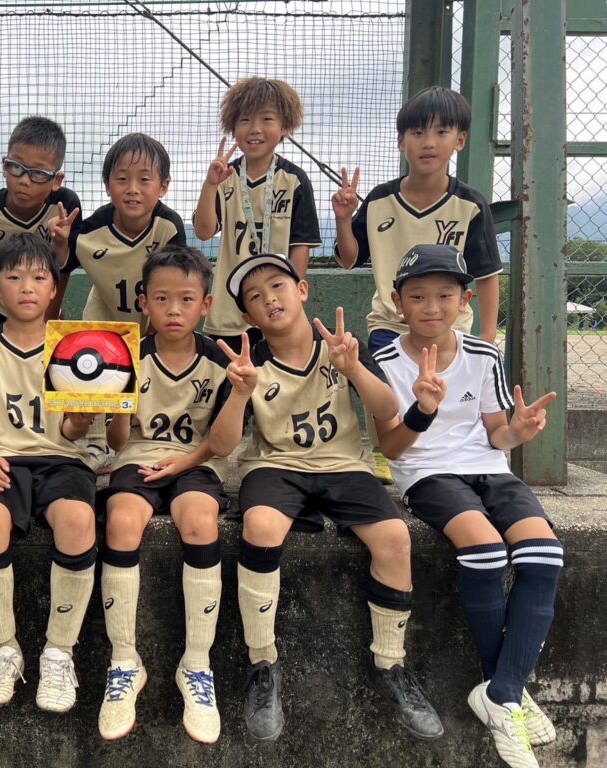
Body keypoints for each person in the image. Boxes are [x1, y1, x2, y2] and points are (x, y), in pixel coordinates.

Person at [207, 253, 443, 743]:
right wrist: (239, 393)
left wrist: (353, 368)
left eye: (278, 286)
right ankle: (262, 663)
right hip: (276, 466)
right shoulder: (251, 365)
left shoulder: (340, 346)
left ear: (303, 290)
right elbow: (224, 446)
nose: (270, 299)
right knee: (260, 527)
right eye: (255, 296)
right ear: (248, 316)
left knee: (395, 537)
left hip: (343, 466)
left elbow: (388, 410)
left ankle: (391, 664)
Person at [373, 244, 562, 768]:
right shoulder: (385, 361)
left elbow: (497, 434)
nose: (431, 307)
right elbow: (391, 449)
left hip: (489, 469)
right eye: (417, 297)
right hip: (428, 473)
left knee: (545, 555)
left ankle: (502, 692)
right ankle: (508, 695)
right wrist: (423, 408)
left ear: (464, 302)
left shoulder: (483, 355)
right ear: (398, 303)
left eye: (444, 295)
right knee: (485, 551)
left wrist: (518, 431)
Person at [97, 245, 231, 744]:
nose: (174, 310)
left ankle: (196, 664)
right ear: (144, 302)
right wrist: (118, 404)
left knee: (199, 520)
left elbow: (223, 443)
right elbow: (117, 443)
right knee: (121, 521)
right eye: (161, 298)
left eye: (186, 299)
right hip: (137, 457)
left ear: (206, 304)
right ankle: (124, 660)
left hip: (197, 459)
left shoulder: (220, 359)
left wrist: (187, 460)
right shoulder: (126, 355)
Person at [0, 233, 97, 715]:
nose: (27, 287)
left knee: (78, 518)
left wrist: (80, 418)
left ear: (54, 289)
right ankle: (3, 650)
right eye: (14, 277)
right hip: (2, 460)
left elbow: (74, 430)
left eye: (39, 278)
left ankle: (59, 652)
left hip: (61, 459)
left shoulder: (75, 347)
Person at [332, 86, 502, 350]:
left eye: (441, 132)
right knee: (384, 379)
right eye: (418, 132)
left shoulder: (471, 205)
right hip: (389, 327)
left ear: (460, 140)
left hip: (450, 329)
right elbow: (348, 260)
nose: (428, 142)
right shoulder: (379, 200)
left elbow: (487, 275)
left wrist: (488, 336)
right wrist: (343, 220)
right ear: (401, 141)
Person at [192, 77, 321, 352]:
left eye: (267, 119)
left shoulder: (294, 180)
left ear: (285, 126)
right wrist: (210, 185)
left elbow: (300, 246)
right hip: (228, 312)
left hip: (277, 309)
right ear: (233, 127)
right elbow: (203, 232)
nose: (255, 129)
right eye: (245, 120)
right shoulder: (224, 176)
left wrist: (291, 302)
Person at [0, 116, 82, 340]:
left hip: (34, 298)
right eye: (16, 167)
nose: (24, 180)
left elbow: (64, 267)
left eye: (38, 173)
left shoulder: (64, 207)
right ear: (5, 166)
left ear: (56, 180)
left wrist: (51, 315)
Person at [67, 132, 186, 328]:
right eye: (122, 179)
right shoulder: (92, 230)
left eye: (144, 179)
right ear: (107, 185)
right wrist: (60, 242)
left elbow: (175, 286)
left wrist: (156, 338)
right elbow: (61, 265)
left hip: (152, 329)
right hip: (101, 326)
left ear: (163, 186)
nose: (132, 189)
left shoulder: (169, 227)